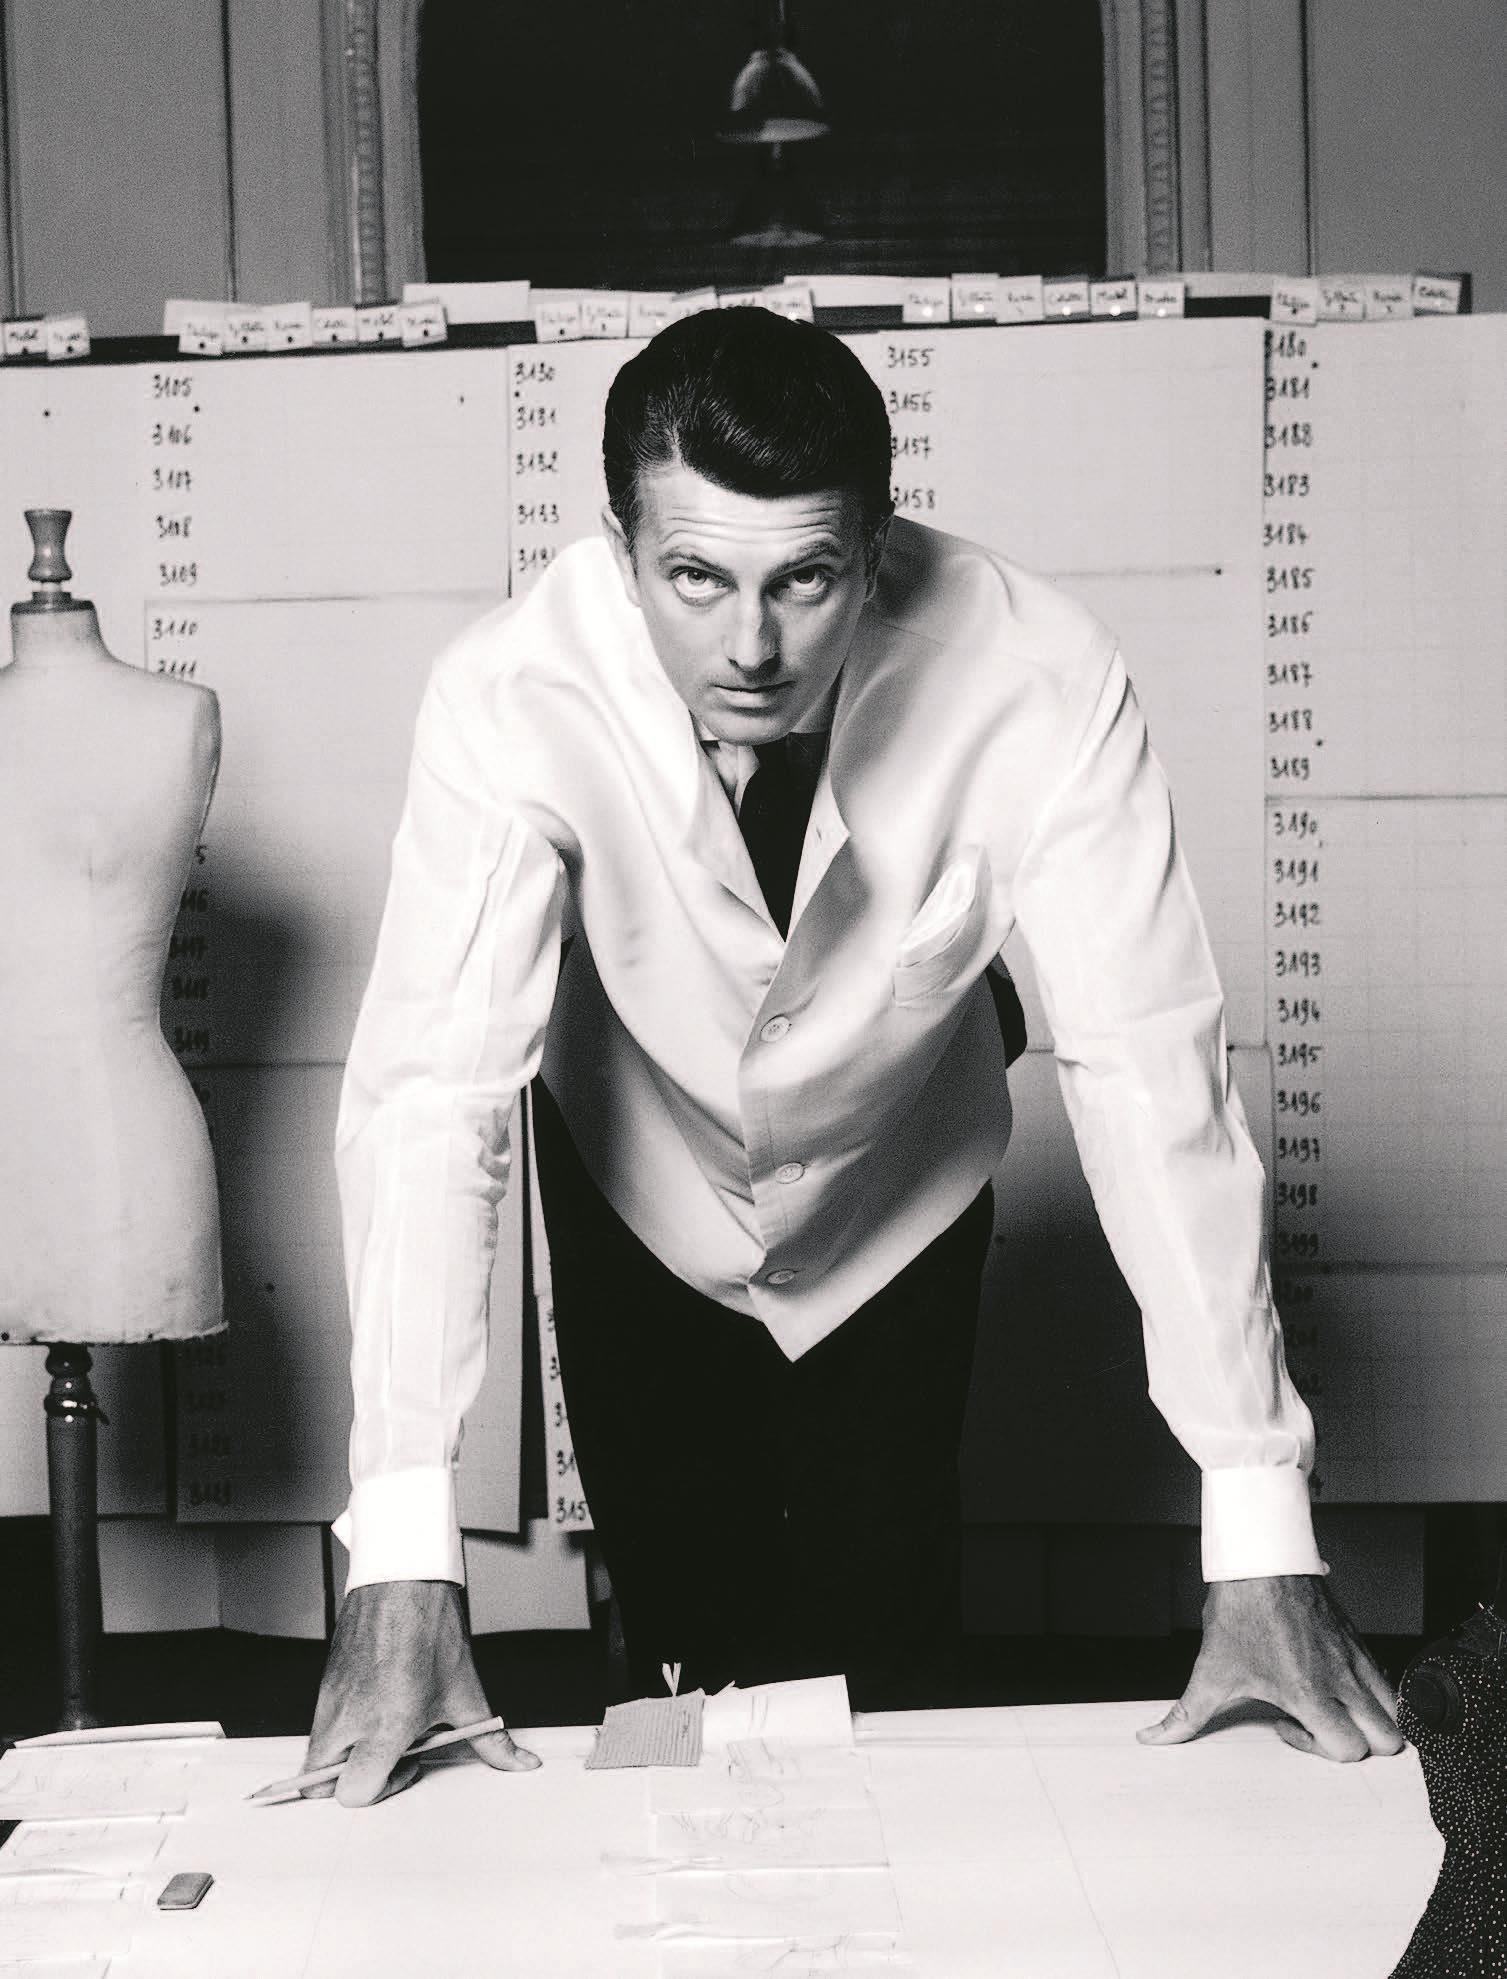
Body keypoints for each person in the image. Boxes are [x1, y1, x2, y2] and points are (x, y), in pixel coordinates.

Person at [306, 306, 1401, 1804]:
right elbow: (432, 1093)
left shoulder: (1039, 673)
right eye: (695, 578)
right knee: (679, 1658)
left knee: (887, 1644)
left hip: (901, 1187)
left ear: (877, 551)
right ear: (622, 551)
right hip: (637, 1182)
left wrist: (1261, 1524)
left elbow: (1152, 1069)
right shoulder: (508, 692)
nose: (750, 647)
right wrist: (400, 1549)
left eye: (804, 579)